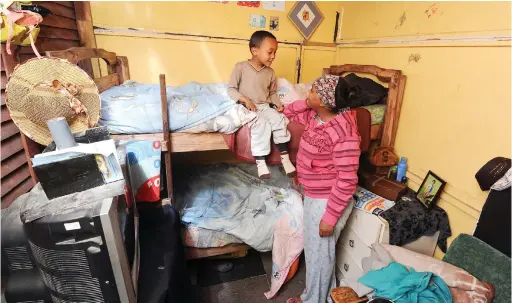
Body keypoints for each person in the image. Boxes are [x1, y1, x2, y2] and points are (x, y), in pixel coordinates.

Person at [284, 75, 361, 303]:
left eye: (314, 91)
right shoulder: (316, 115)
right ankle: (323, 297)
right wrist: (307, 103)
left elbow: (347, 180)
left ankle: (313, 300)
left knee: (319, 256)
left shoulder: (344, 133)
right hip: (315, 193)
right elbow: (288, 112)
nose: (309, 92)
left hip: (328, 201)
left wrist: (329, 218)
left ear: (327, 101)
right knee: (317, 252)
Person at [227, 30, 296, 179]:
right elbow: (231, 89)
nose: (273, 56)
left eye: (275, 52)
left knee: (279, 120)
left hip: (264, 106)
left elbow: (271, 93)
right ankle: (260, 162)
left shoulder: (270, 73)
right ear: (255, 50)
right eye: (270, 52)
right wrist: (245, 100)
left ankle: (285, 158)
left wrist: (277, 104)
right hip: (247, 106)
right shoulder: (240, 67)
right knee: (262, 124)